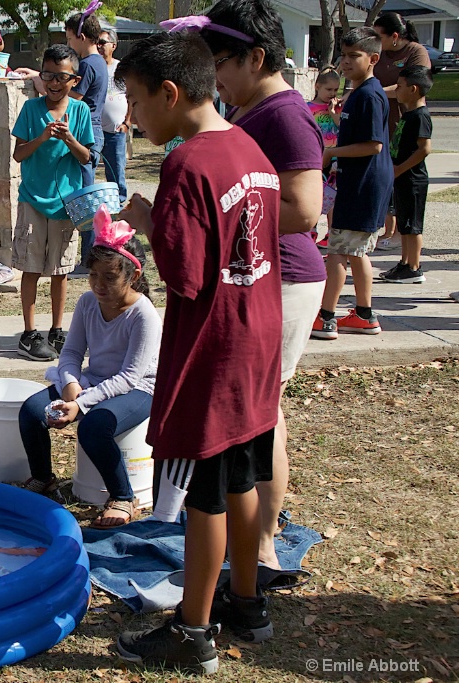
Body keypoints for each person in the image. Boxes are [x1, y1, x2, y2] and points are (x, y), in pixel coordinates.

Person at [114, 30, 282, 674]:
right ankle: (247, 603)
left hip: (214, 347)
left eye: (136, 99)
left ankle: (193, 628)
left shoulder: (188, 164)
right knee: (240, 475)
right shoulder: (250, 148)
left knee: (204, 493)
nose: (132, 115)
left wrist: (146, 219)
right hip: (256, 338)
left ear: (170, 92)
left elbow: (184, 276)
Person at [200, 0, 325, 572]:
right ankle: (256, 536)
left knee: (260, 414)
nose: (214, 75)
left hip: (287, 278)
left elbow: (303, 209)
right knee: (259, 410)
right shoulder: (253, 110)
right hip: (261, 274)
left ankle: (265, 543)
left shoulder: (283, 114)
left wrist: (217, 217)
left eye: (221, 60)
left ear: (256, 56)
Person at [19, 208, 160, 528]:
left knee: (94, 426)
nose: (98, 284)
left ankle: (123, 496)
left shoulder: (144, 315)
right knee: (31, 411)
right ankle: (44, 479)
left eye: (109, 277)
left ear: (133, 276)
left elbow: (130, 376)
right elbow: (70, 353)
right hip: (94, 380)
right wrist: (70, 385)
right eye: (93, 274)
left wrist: (79, 404)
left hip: (140, 389)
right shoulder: (87, 303)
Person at [11, 44, 93, 362]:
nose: (54, 83)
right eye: (48, 76)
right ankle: (29, 333)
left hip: (65, 204)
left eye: (61, 76)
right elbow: (18, 154)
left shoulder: (81, 112)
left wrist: (69, 138)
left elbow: (87, 157)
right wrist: (43, 137)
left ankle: (57, 330)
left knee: (61, 270)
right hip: (33, 200)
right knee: (31, 268)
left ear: (74, 79)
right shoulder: (31, 110)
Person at [311, 27, 392, 341]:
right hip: (360, 184)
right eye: (343, 55)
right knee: (357, 253)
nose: (345, 61)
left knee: (337, 253)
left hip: (362, 186)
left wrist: (330, 152)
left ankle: (326, 317)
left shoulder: (369, 95)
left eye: (353, 55)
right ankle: (363, 314)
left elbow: (374, 145)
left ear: (372, 59)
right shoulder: (358, 94)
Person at [372, 12, 430, 249]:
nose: (376, 41)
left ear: (395, 36)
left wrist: (373, 92)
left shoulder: (416, 52)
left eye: (379, 36)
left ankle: (400, 237)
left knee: (403, 185)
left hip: (404, 123)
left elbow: (413, 83)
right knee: (386, 178)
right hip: (383, 124)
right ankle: (388, 230)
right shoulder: (381, 54)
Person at [65, 7, 109, 270]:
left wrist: (44, 84)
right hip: (94, 132)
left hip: (87, 133)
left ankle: (89, 258)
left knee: (86, 199)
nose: (68, 43)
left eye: (70, 38)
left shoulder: (88, 65)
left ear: (81, 36)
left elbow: (73, 98)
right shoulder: (99, 62)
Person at [381, 65, 433, 284]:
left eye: (399, 87)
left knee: (413, 226)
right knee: (404, 224)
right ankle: (404, 263)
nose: (396, 91)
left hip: (413, 179)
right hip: (401, 178)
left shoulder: (420, 116)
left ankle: (414, 267)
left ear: (413, 89)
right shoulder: (408, 113)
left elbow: (424, 149)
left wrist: (400, 168)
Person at [310, 69, 342, 245]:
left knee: (332, 196)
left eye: (336, 90)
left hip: (334, 158)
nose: (332, 94)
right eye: (328, 90)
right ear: (317, 87)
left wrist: (333, 114)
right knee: (314, 194)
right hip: (316, 156)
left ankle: (331, 232)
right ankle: (312, 228)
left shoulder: (337, 108)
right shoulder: (309, 108)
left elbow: (342, 129)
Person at [98, 29, 130, 205]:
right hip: (95, 128)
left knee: (116, 169)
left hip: (116, 130)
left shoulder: (121, 69)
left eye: (103, 43)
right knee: (89, 168)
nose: (99, 46)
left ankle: (118, 204)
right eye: (98, 43)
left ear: (113, 45)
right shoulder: (93, 66)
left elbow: (132, 96)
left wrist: (127, 122)